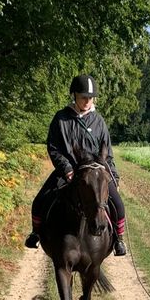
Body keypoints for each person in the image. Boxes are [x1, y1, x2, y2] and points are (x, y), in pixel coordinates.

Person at [25, 73, 126, 256]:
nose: (87, 101)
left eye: (90, 97)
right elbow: (53, 147)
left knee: (118, 204)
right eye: (83, 97)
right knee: (39, 201)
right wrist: (67, 168)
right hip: (68, 172)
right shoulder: (61, 118)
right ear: (75, 96)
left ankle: (118, 240)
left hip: (95, 173)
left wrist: (114, 176)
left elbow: (108, 154)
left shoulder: (99, 121)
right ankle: (36, 234)